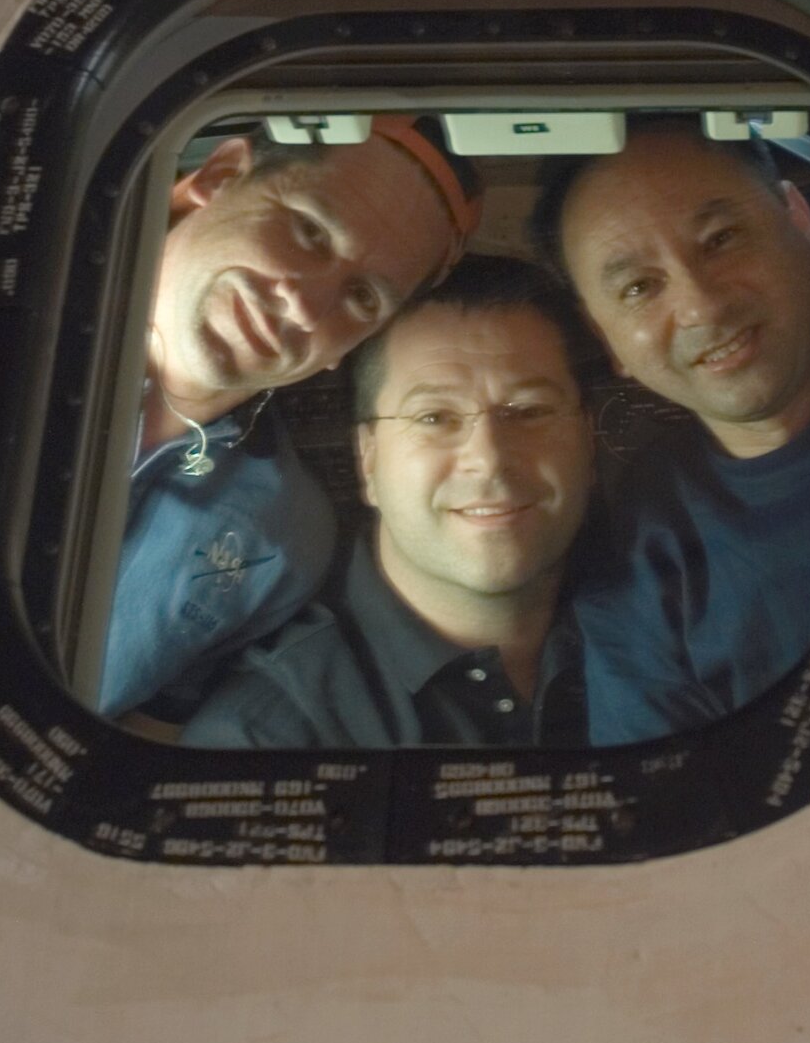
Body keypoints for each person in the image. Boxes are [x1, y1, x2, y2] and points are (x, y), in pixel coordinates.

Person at [93, 116, 481, 721]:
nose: (303, 304)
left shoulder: (285, 538)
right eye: (308, 231)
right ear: (216, 180)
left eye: (361, 298)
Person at [534, 119, 810, 744]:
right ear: (607, 340)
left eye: (721, 240)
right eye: (639, 287)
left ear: (802, 222)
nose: (702, 306)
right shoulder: (642, 553)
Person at [182, 256, 597, 750]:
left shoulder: (674, 621)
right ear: (368, 459)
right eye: (434, 417)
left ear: (589, 439)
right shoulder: (269, 738)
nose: (489, 460)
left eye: (529, 411)